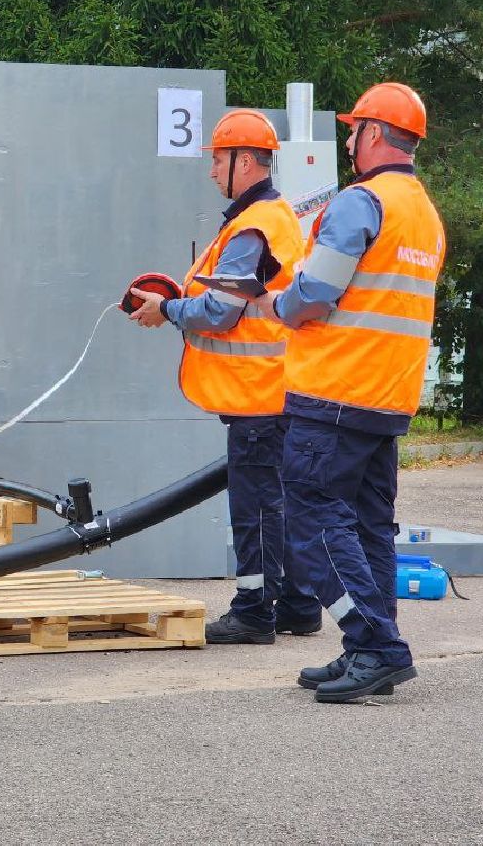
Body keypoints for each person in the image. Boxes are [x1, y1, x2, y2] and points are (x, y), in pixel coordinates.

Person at [252, 81, 444, 703]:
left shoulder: (362, 203)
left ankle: (376, 645)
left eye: (354, 129)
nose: (349, 141)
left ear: (374, 135)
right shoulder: (424, 213)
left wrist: (274, 302)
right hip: (386, 398)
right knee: (367, 527)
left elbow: (313, 296)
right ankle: (368, 647)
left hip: (335, 392)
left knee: (311, 518)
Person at [127, 108, 321, 644]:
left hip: (258, 397)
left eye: (217, 160)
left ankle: (256, 611)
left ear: (244, 162)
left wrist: (165, 311)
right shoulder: (268, 218)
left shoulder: (254, 226)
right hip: (276, 391)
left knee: (256, 506)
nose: (211, 171)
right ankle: (299, 605)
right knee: (278, 501)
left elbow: (221, 311)